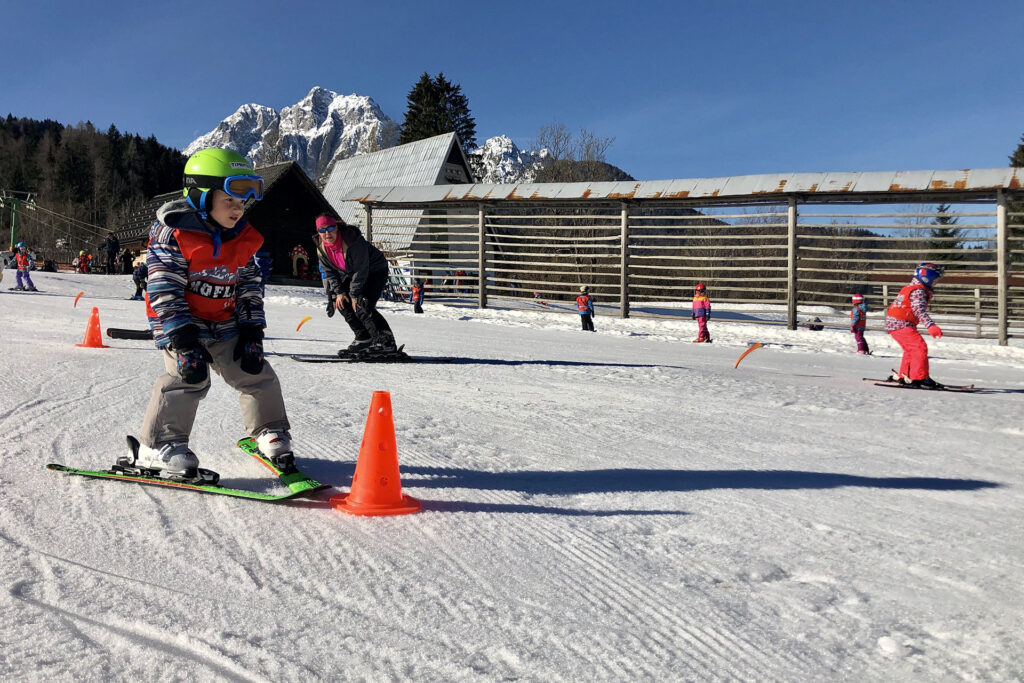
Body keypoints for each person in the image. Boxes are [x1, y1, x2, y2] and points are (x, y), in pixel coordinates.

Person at [135, 147, 293, 479]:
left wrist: (252, 331)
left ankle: (269, 430)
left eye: (243, 202)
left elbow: (249, 284)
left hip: (224, 321)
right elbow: (164, 288)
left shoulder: (242, 238)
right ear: (202, 196)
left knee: (255, 372)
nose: (238, 208)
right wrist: (182, 339)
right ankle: (159, 446)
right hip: (180, 322)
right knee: (187, 378)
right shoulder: (174, 234)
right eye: (230, 200)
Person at [314, 214, 398, 357]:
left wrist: (354, 295)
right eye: (322, 230)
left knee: (362, 303)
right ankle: (364, 338)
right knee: (341, 302)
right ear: (318, 232)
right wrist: (338, 293)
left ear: (337, 228)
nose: (327, 233)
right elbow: (330, 273)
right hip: (354, 274)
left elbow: (361, 269)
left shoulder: (352, 241)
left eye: (330, 228)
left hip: (374, 270)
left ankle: (385, 341)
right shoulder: (322, 249)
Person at [885, 262, 945, 388]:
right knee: (919, 347)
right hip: (900, 324)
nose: (936, 283)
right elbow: (919, 310)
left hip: (896, 323)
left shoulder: (911, 288)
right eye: (935, 280)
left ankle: (904, 375)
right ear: (927, 277)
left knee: (910, 350)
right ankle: (918, 378)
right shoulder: (918, 291)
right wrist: (931, 326)